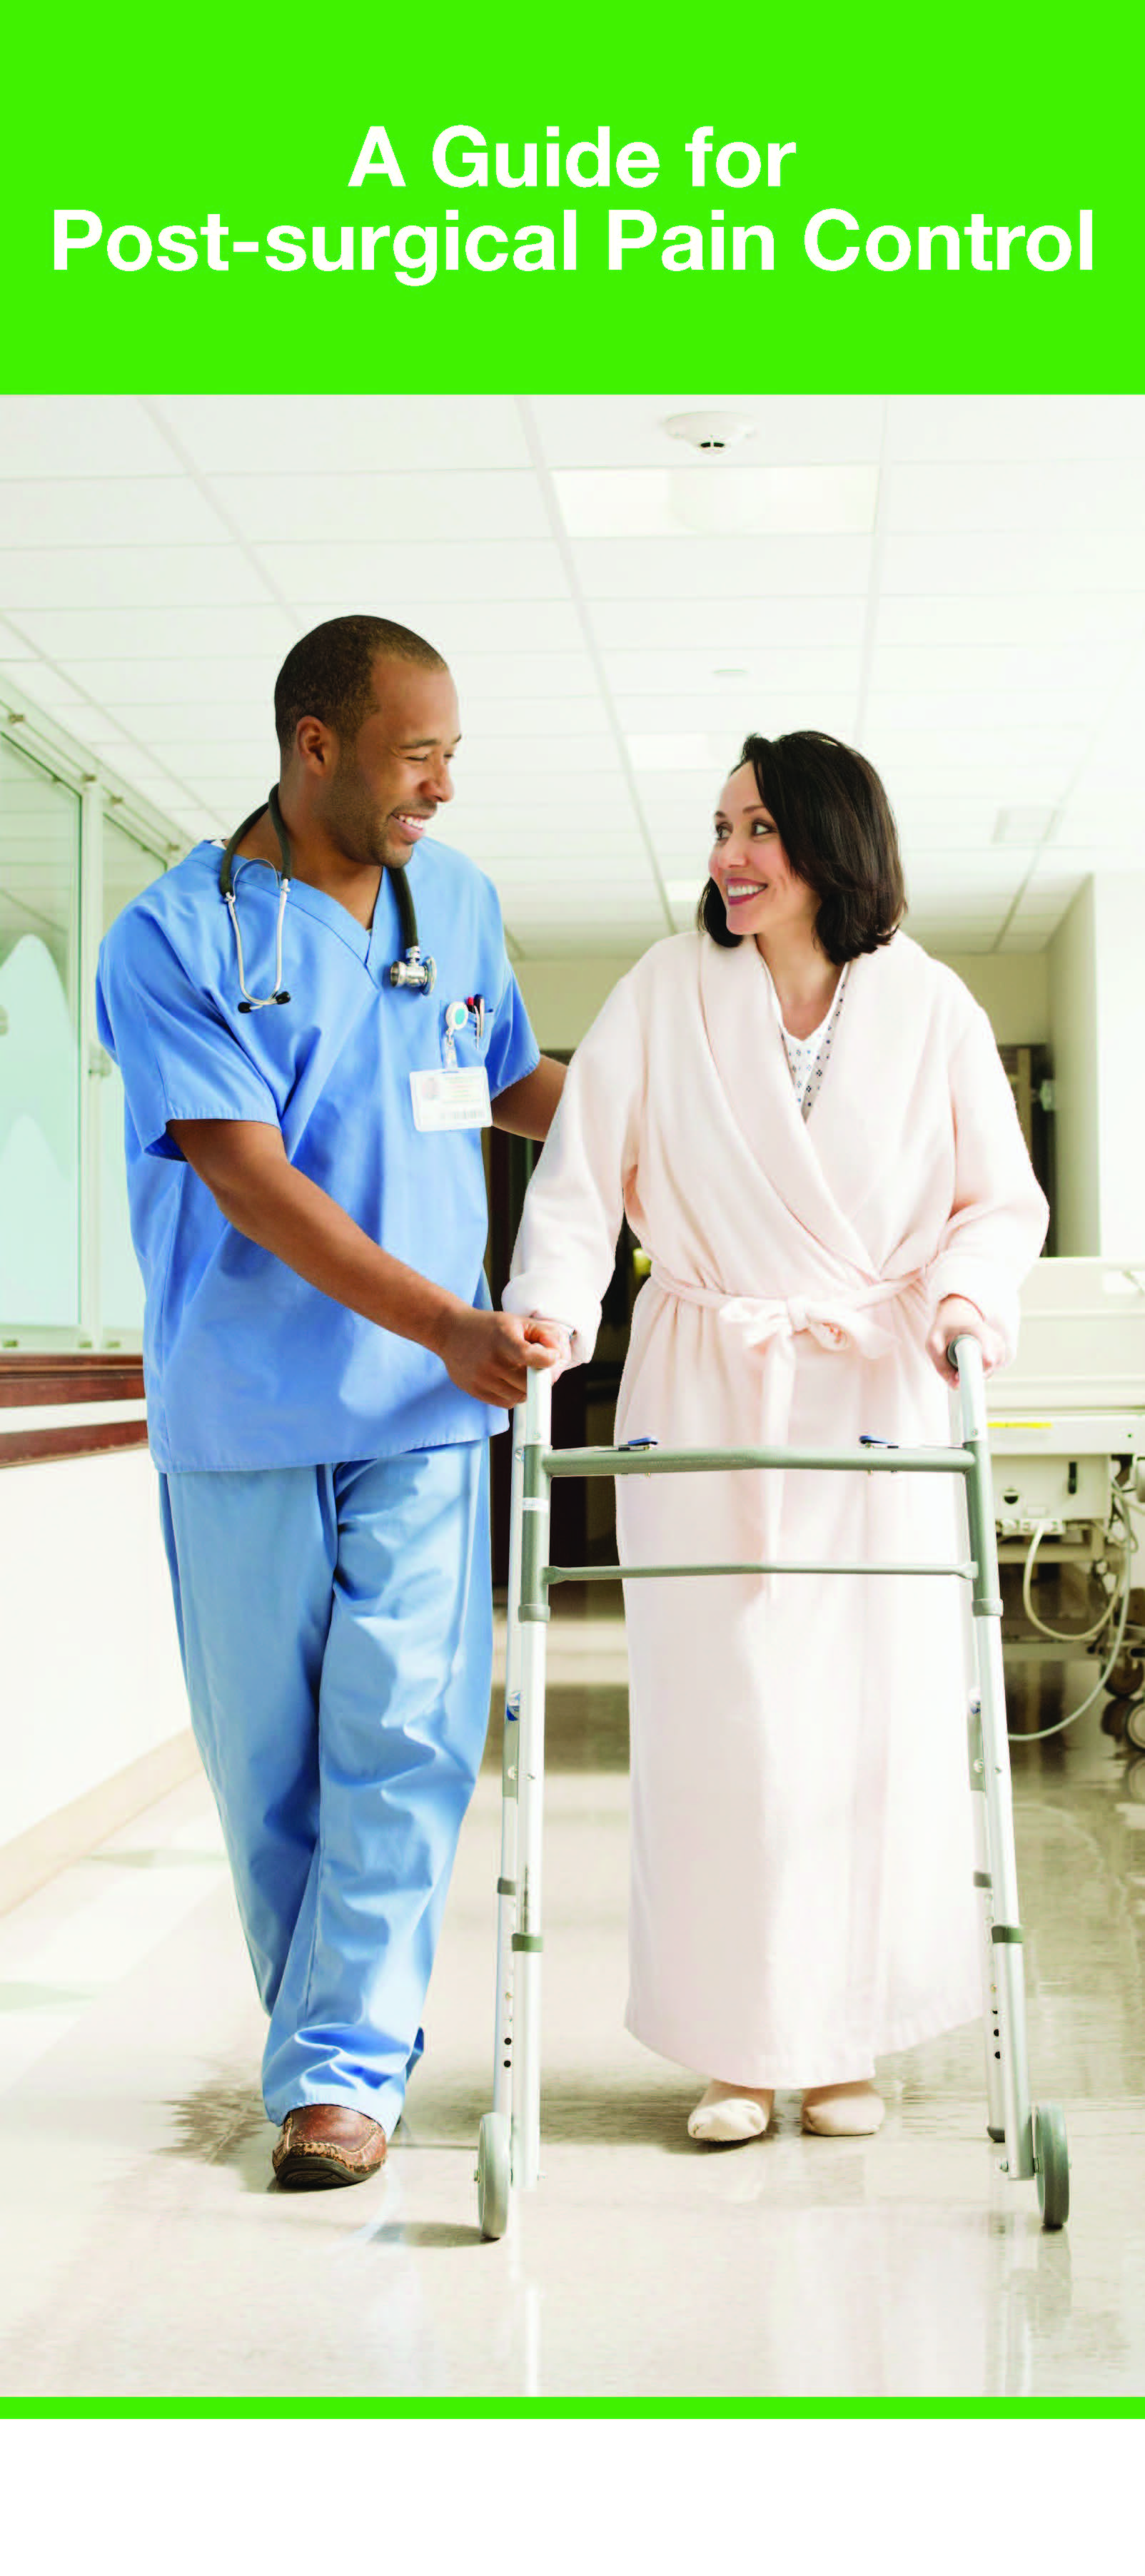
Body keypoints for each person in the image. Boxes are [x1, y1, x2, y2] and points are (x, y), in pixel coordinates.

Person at [503, 729, 1048, 2144]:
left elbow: (998, 1199)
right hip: (708, 1385)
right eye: (721, 827)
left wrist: (966, 1302)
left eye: (758, 828)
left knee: (870, 1718)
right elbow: (580, 1178)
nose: (728, 856)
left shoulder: (929, 1003)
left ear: (831, 843)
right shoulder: (662, 988)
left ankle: (845, 2041)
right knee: (726, 1719)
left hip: (875, 1386)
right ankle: (738, 2051)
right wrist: (549, 1316)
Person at [96, 614, 565, 2188]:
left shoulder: (459, 901)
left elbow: (507, 1079)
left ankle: (339, 2075)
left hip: (426, 1411)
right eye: (416, 754)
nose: (442, 784)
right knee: (273, 1763)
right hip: (249, 1406)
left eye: (451, 755)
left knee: (409, 1733)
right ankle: (325, 2045)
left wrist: (672, 1128)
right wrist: (447, 1318)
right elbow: (245, 1174)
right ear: (316, 747)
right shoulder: (174, 938)